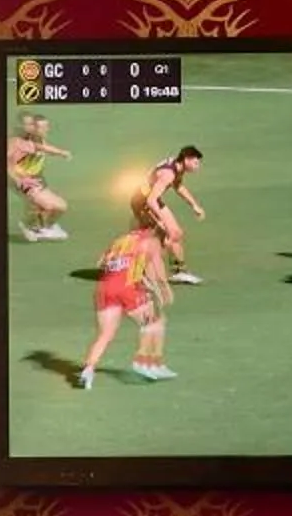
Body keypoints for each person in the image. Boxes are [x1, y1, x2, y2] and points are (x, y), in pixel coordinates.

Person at [77, 226, 175, 389]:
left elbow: (102, 262)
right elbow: (155, 269)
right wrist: (163, 289)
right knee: (154, 323)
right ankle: (146, 364)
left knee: (105, 334)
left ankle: (88, 370)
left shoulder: (119, 241)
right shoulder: (149, 242)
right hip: (126, 288)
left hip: (105, 288)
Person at [132, 144, 206, 281]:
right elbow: (151, 200)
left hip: (151, 200)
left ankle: (180, 271)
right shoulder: (168, 174)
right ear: (187, 159)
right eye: (196, 162)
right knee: (165, 234)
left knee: (176, 233)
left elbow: (178, 186)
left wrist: (194, 205)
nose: (198, 166)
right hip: (143, 203)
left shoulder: (177, 167)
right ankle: (138, 271)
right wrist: (162, 222)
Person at [7, 117, 71, 240]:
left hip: (37, 180)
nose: (47, 129)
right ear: (33, 128)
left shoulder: (38, 141)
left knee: (61, 207)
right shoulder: (17, 142)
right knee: (46, 206)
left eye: (47, 126)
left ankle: (46, 227)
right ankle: (30, 225)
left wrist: (62, 153)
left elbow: (45, 148)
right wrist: (18, 179)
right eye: (42, 127)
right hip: (25, 181)